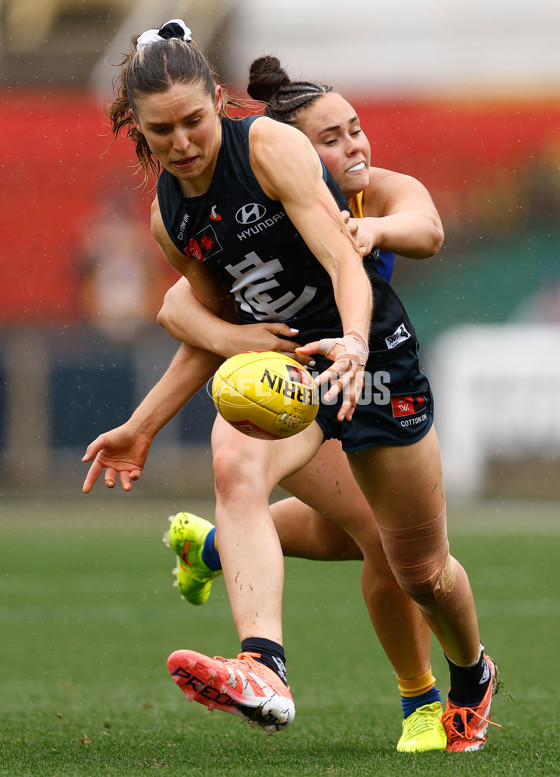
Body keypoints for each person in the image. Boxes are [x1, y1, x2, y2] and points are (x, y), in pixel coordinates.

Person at [82, 20, 499, 752]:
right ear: (137, 132)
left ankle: (471, 675)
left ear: (219, 101)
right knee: (234, 463)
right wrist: (141, 425)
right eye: (161, 132)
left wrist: (356, 345)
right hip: (293, 374)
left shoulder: (270, 148)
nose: (181, 142)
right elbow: (202, 321)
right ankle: (264, 664)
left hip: (370, 360)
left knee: (420, 569)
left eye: (193, 121)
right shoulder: (167, 219)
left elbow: (345, 264)